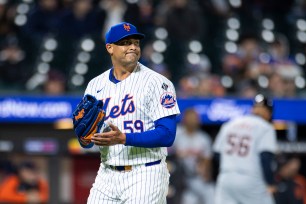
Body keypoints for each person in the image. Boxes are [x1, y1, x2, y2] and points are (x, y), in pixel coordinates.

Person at [80, 22, 180, 203]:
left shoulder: (158, 83)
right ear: (110, 48)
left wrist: (124, 138)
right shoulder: (95, 85)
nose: (133, 47)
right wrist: (86, 137)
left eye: (136, 42)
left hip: (146, 172)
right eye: (125, 42)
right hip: (107, 172)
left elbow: (167, 135)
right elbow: (87, 134)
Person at [213, 94, 278, 204]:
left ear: (253, 109)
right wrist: (270, 183)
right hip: (251, 179)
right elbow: (265, 158)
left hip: (226, 177)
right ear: (268, 112)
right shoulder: (266, 127)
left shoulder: (229, 124)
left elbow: (217, 155)